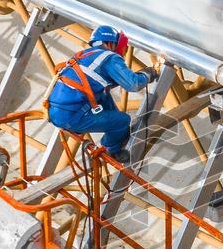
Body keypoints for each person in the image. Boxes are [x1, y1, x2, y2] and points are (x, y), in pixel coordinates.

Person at [45, 26, 158, 163]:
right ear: (110, 43)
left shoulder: (84, 55)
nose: (122, 51)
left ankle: (118, 131)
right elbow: (134, 84)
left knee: (104, 95)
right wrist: (147, 75)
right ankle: (111, 149)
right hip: (72, 117)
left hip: (54, 111)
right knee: (123, 120)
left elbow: (97, 83)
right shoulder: (109, 57)